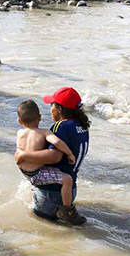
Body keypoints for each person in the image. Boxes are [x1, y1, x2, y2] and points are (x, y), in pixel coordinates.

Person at [15, 87, 90, 225]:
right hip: (69, 190)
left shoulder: (59, 127)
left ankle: (65, 212)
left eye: (52, 105)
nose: (50, 109)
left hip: (51, 194)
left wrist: (23, 155)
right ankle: (68, 210)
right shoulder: (82, 126)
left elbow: (54, 156)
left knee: (41, 230)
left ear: (59, 109)